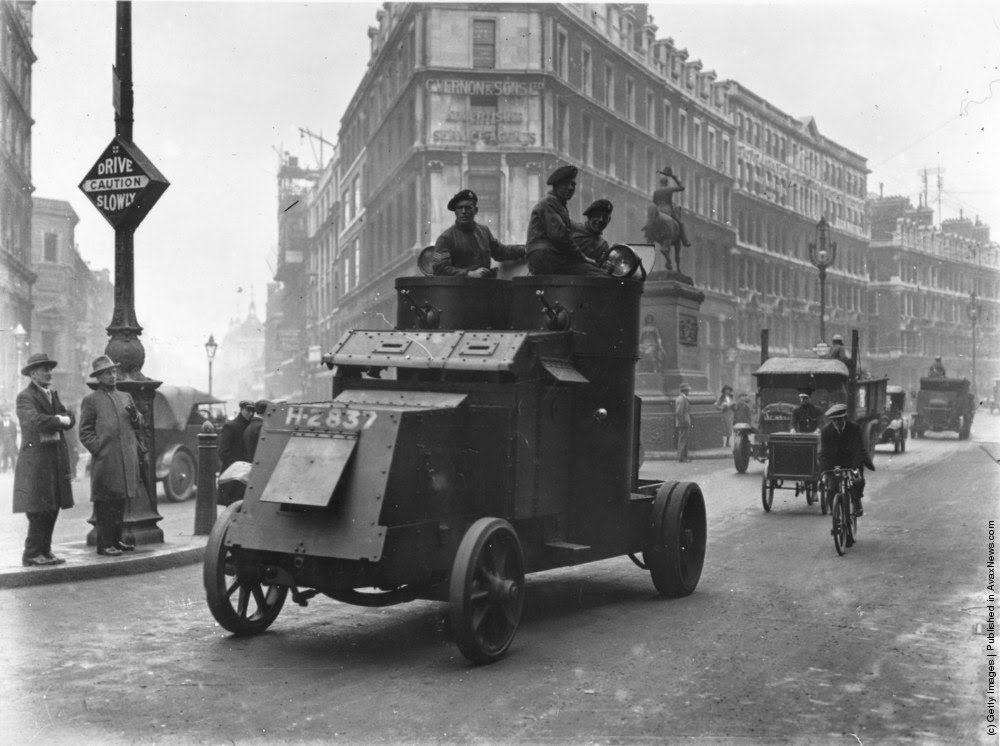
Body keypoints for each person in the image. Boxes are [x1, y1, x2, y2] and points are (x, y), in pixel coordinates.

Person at [12, 353, 75, 567]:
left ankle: (45, 551)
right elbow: (35, 421)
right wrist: (60, 419)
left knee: (52, 506)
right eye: (43, 370)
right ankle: (31, 554)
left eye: (49, 369)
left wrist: (62, 418)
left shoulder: (52, 395)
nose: (49, 373)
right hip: (35, 463)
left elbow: (71, 417)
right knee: (38, 509)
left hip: (53, 461)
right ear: (32, 374)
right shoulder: (25, 397)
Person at [79, 356, 142, 557]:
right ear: (99, 377)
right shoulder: (91, 400)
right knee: (105, 503)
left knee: (120, 501)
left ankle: (116, 540)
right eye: (107, 372)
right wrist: (99, 449)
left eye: (114, 371)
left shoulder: (126, 397)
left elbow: (139, 423)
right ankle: (104, 544)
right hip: (107, 460)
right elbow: (85, 431)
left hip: (125, 458)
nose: (112, 375)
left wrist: (135, 416)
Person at [526, 165, 608, 276]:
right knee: (600, 276)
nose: (570, 188)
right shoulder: (549, 204)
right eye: (566, 184)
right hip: (547, 256)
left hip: (548, 257)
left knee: (592, 270)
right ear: (556, 185)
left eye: (573, 184)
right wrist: (583, 258)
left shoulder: (558, 205)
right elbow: (560, 237)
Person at [431, 189, 525, 277]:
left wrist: (524, 250)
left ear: (475, 211)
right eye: (460, 208)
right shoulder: (445, 238)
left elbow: (500, 252)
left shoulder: (484, 231)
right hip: (458, 290)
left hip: (484, 287)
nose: (464, 212)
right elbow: (439, 268)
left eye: (468, 208)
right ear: (455, 212)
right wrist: (469, 274)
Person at [819, 403, 875, 517]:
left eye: (839, 420)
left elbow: (857, 449)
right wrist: (825, 471)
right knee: (831, 488)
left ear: (844, 418)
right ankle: (835, 514)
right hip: (834, 463)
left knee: (858, 481)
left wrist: (855, 468)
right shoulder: (826, 431)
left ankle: (856, 502)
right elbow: (824, 452)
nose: (837, 423)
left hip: (851, 460)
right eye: (834, 420)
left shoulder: (854, 428)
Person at [218, 400, 255, 506]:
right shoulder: (231, 426)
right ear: (242, 409)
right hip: (233, 475)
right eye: (248, 410)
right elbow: (223, 452)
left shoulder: (251, 427)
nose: (251, 414)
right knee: (232, 506)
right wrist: (237, 467)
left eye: (253, 411)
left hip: (245, 475)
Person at [570, 198, 613, 263]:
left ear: (609, 221)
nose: (601, 220)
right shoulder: (573, 228)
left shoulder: (603, 246)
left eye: (605, 217)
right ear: (590, 216)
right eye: (597, 215)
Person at [674, 383, 692, 462]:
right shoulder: (682, 399)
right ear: (684, 391)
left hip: (683, 422)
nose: (689, 392)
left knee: (683, 439)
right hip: (684, 423)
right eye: (688, 390)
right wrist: (683, 422)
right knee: (683, 440)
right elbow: (679, 412)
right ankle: (682, 457)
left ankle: (682, 457)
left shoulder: (680, 398)